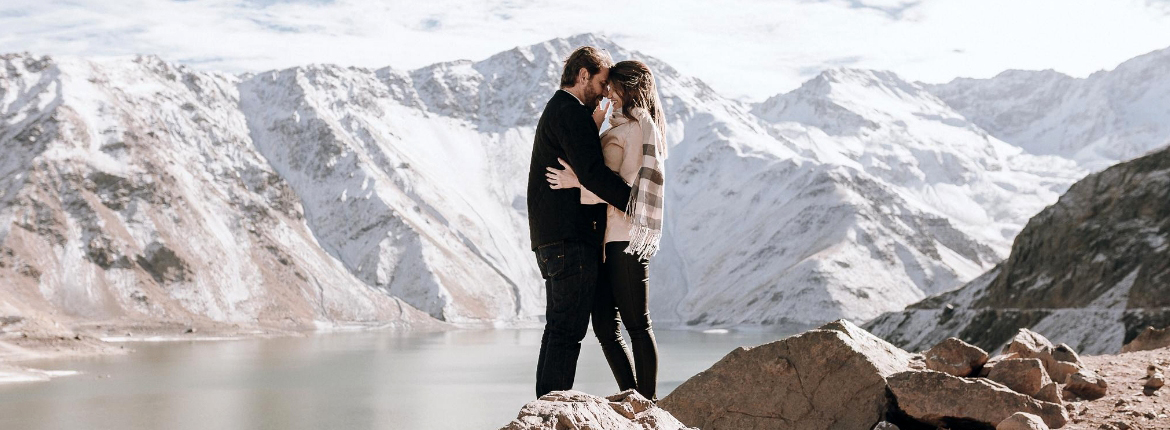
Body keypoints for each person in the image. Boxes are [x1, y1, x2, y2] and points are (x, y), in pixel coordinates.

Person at [545, 60, 668, 401]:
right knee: (604, 327)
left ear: (629, 89)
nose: (607, 94)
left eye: (613, 87)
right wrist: (594, 126)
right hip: (605, 240)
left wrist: (576, 181)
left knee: (637, 325)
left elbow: (627, 190)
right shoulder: (617, 126)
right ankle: (632, 396)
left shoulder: (638, 130)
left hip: (625, 239)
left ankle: (648, 403)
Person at [526, 46, 633, 398]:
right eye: (602, 82)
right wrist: (635, 203)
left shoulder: (557, 109)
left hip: (551, 240)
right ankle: (551, 412)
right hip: (570, 240)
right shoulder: (570, 113)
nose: (605, 91)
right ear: (583, 75)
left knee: (557, 330)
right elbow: (593, 173)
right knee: (567, 333)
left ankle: (543, 409)